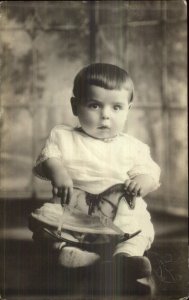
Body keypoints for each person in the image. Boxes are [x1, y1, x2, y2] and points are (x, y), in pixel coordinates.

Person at [31, 63, 160, 286]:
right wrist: (58, 171)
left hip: (116, 217)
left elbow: (149, 172)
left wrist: (142, 182)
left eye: (116, 108)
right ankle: (69, 251)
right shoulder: (63, 136)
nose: (105, 116)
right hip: (74, 211)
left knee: (141, 224)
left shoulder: (133, 146)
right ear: (75, 105)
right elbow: (49, 156)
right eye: (94, 105)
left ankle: (126, 256)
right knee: (45, 223)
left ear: (129, 109)